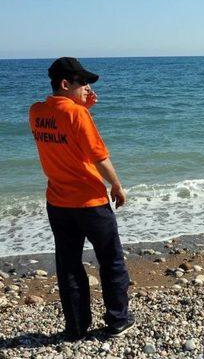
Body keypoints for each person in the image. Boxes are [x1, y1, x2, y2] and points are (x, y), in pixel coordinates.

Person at [29, 57, 135, 340]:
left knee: (69, 264)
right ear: (65, 84)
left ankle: (75, 327)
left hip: (58, 202)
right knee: (111, 260)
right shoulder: (79, 115)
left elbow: (62, 133)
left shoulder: (35, 112)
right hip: (90, 202)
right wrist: (116, 185)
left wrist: (82, 106)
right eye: (82, 83)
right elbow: (98, 156)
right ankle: (117, 320)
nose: (87, 88)